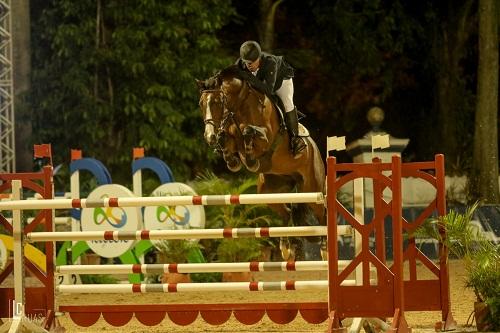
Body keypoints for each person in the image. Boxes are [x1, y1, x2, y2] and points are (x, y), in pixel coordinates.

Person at [236, 40, 306, 156]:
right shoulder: (241, 64)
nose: (249, 65)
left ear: (259, 58)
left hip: (281, 81)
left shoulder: (270, 62)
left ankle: (295, 139)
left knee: (287, 102)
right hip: (262, 83)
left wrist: (248, 77)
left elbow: (269, 90)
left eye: (253, 62)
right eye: (247, 62)